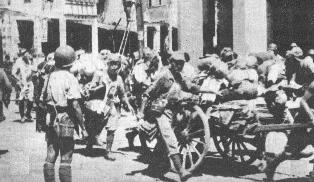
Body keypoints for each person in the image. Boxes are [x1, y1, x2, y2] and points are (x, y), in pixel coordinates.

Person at [137, 51, 212, 181]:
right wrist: (141, 112)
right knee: (170, 138)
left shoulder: (179, 76)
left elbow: (190, 87)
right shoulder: (164, 76)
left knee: (163, 141)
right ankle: (181, 171)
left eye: (181, 63)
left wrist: (208, 90)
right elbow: (147, 93)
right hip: (161, 112)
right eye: (176, 63)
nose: (179, 66)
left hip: (174, 112)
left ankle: (153, 166)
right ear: (171, 63)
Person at [43, 45, 88, 182]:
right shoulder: (70, 77)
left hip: (51, 118)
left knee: (50, 156)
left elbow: (41, 100)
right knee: (66, 158)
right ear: (71, 62)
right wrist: (83, 128)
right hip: (66, 120)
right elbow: (75, 105)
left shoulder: (49, 76)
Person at [263, 80, 314, 182]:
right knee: (290, 152)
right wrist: (312, 116)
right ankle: (271, 167)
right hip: (303, 119)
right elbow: (303, 101)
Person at [90, 53, 133, 161]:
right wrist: (98, 87)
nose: (114, 67)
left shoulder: (118, 79)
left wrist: (128, 105)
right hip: (98, 105)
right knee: (96, 126)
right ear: (108, 64)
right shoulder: (100, 75)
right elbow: (91, 88)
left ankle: (108, 151)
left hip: (110, 105)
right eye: (112, 64)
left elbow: (122, 94)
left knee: (112, 127)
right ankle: (90, 144)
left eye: (117, 65)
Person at [12, 52, 35, 122]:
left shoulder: (30, 63)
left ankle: (28, 114)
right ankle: (22, 116)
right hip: (22, 84)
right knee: (21, 100)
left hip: (29, 83)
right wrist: (18, 80)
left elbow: (34, 70)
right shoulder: (19, 63)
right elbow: (13, 73)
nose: (28, 57)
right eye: (27, 56)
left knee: (30, 100)